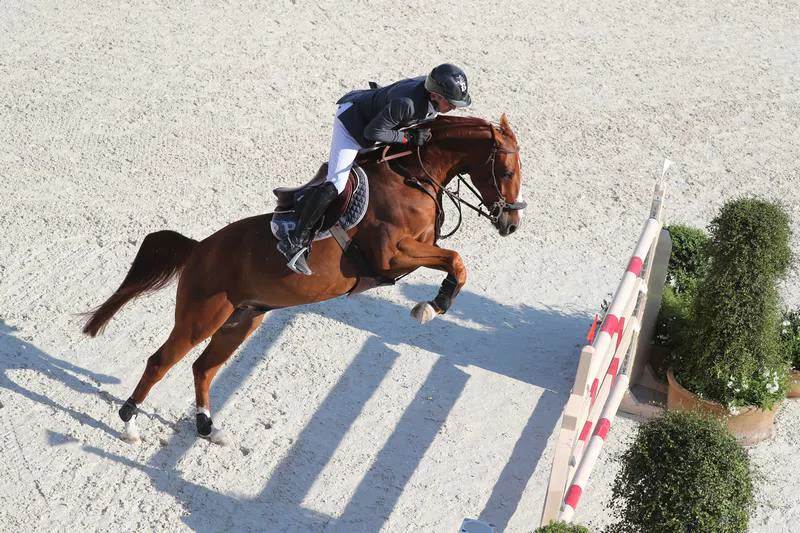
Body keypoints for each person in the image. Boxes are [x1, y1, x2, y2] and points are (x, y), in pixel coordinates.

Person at [277, 63, 472, 276]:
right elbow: (373, 133)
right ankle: (295, 239)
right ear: (434, 95)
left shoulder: (429, 94)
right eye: (451, 103)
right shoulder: (407, 103)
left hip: (382, 117)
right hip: (354, 125)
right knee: (337, 183)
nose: (454, 107)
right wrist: (407, 138)